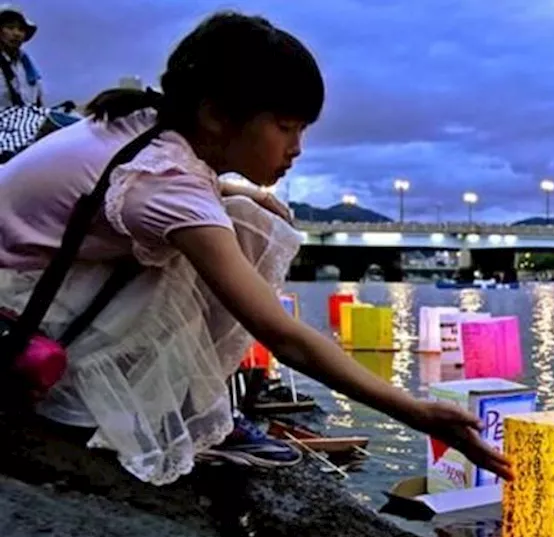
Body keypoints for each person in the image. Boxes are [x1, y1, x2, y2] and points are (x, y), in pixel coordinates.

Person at [0, 12, 510, 486]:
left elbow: (130, 188)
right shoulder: (166, 183)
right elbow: (281, 335)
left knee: (244, 214)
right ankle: (172, 413)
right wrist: (415, 411)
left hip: (28, 291)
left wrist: (235, 188)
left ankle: (176, 405)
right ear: (217, 116)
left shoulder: (145, 128)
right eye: (285, 127)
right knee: (246, 232)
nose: (297, 147)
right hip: (14, 317)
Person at [0, 5, 41, 110]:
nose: (16, 34)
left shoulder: (28, 68)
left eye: (21, 29)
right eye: (10, 27)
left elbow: (37, 102)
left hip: (24, 122)